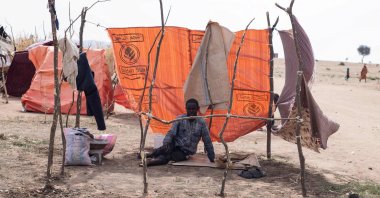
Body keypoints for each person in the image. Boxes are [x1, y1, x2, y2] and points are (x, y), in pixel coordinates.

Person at [145, 98, 215, 166]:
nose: (191, 111)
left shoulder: (201, 122)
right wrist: (167, 143)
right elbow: (171, 132)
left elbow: (207, 141)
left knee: (170, 156)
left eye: (193, 109)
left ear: (197, 109)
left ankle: (152, 162)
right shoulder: (180, 119)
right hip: (175, 144)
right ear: (186, 109)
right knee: (164, 149)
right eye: (189, 109)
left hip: (186, 151)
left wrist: (212, 157)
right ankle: (150, 155)